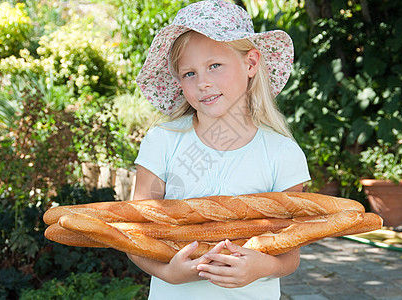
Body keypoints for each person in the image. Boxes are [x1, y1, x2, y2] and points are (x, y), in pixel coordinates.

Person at [128, 0, 311, 299]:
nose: (203, 83)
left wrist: (260, 266)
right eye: (189, 73)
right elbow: (134, 233)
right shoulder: (162, 141)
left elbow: (289, 256)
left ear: (251, 63)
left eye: (214, 66)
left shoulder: (282, 154)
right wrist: (167, 273)